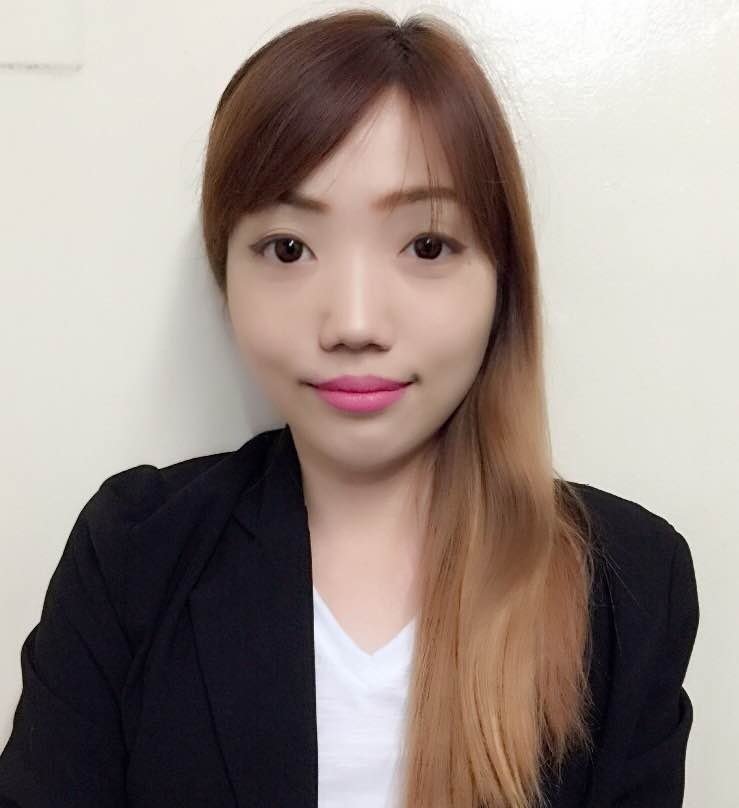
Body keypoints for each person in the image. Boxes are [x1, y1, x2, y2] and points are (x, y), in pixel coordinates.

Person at [0, 8, 699, 808]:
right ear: (225, 277)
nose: (354, 323)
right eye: (288, 248)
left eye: (427, 246)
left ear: (502, 281)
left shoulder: (628, 585)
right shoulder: (133, 553)